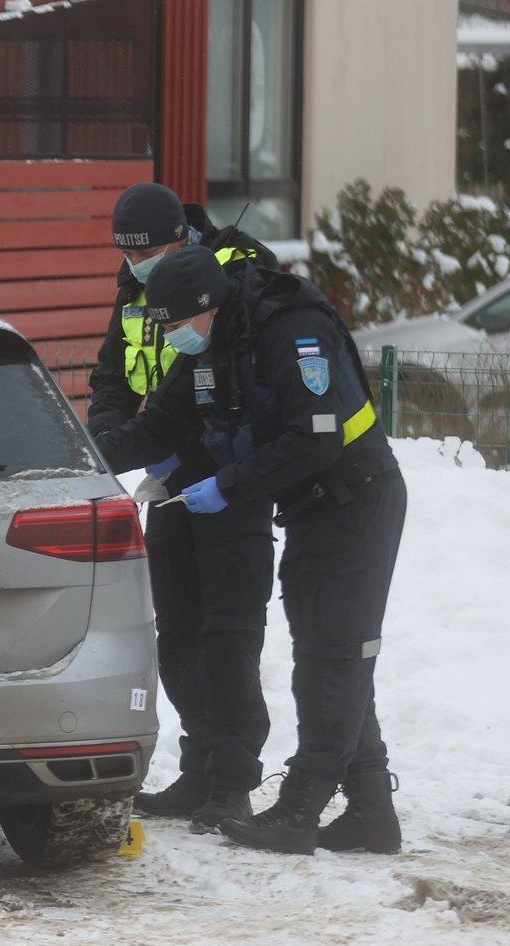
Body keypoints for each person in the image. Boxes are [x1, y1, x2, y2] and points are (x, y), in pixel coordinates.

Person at [96, 245, 407, 855]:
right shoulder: (216, 340)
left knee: (331, 655)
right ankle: (371, 808)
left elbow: (315, 439)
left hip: (357, 498)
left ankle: (299, 808)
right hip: (311, 505)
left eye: (178, 324)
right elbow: (162, 423)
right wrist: (83, 456)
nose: (175, 337)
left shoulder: (293, 331)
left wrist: (228, 486)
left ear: (208, 306)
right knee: (332, 647)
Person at [87, 182, 277, 831]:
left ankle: (232, 780)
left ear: (181, 239)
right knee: (178, 632)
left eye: (147, 253)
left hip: (228, 474)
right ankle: (199, 768)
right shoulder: (133, 290)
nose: (137, 264)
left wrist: (170, 444)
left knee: (228, 635)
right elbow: (113, 377)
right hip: (163, 474)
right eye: (128, 253)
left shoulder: (231, 275)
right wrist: (107, 438)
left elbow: (234, 380)